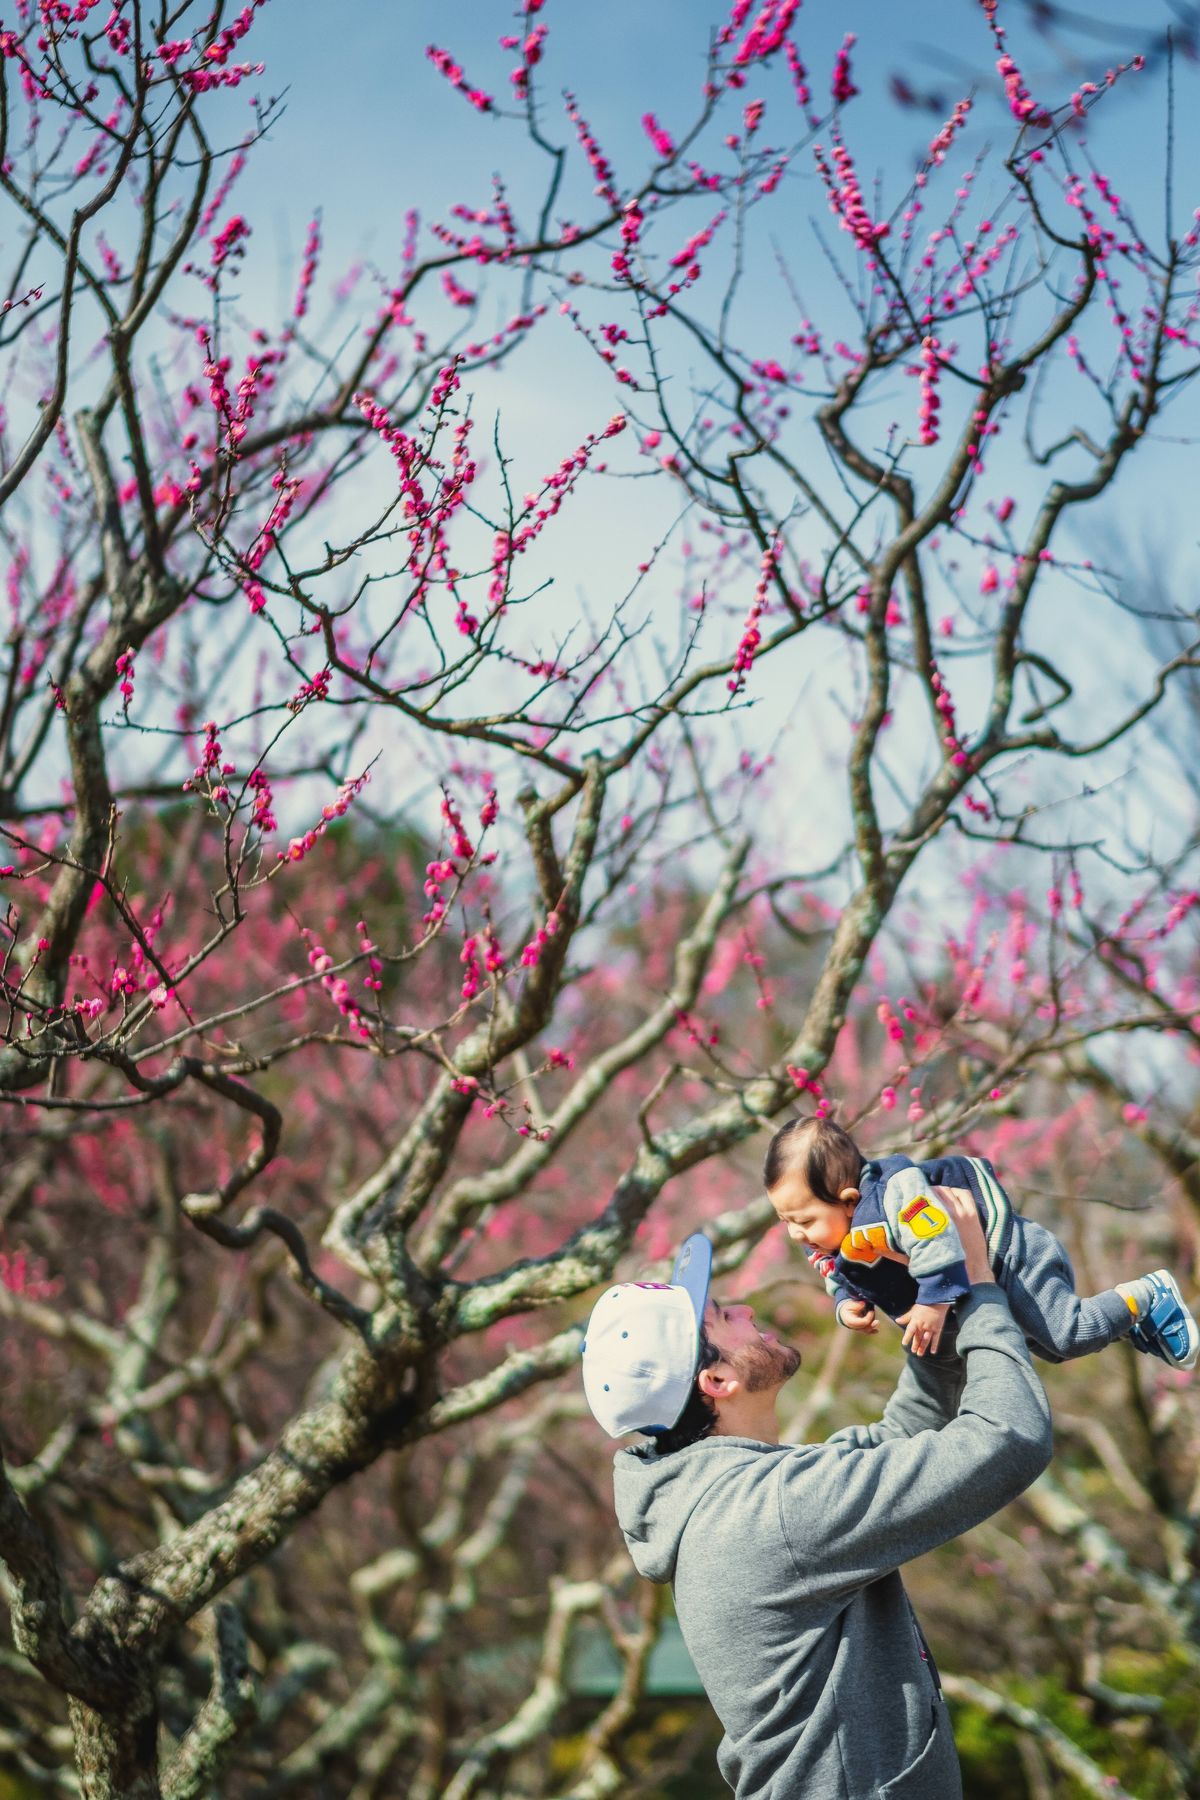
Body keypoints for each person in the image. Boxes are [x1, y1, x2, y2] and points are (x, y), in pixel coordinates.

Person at [580, 1193, 1052, 1800]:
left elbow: (901, 1437)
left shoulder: (734, 1498)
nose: (748, 1307)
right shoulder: (769, 1512)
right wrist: (982, 1286)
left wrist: (924, 1291)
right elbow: (1009, 1437)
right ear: (717, 1381)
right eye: (724, 1317)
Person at [764, 1114, 1199, 1368]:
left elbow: (936, 1239)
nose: (797, 1234)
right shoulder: (828, 1237)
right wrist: (845, 1303)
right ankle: (1132, 1319)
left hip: (1010, 1255)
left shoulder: (897, 1195)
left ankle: (1148, 1293)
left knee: (1068, 1335)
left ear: (849, 1200)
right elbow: (838, 1274)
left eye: (802, 1220)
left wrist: (933, 1304)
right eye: (785, 1220)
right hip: (981, 1278)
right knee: (1047, 1351)